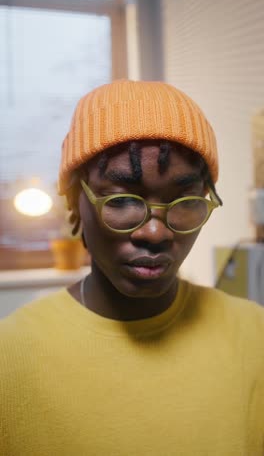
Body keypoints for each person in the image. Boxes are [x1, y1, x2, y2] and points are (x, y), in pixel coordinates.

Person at [0, 80, 263, 456]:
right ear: (75, 203)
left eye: (185, 200)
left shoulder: (255, 336)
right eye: (122, 200)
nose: (155, 232)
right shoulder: (8, 358)